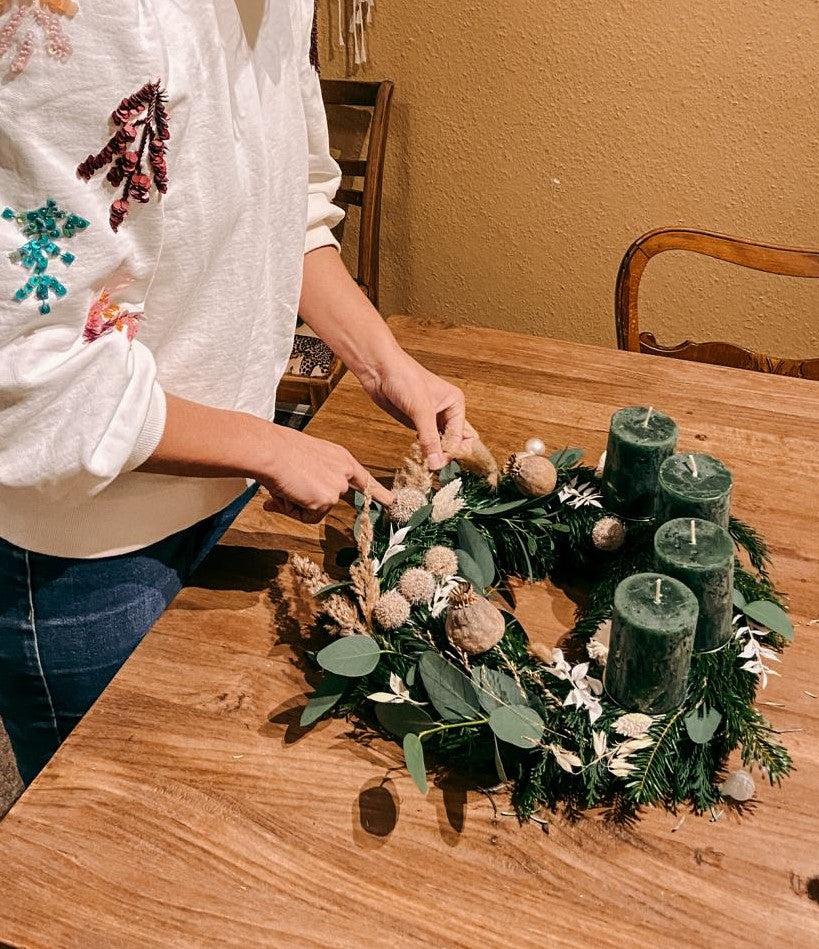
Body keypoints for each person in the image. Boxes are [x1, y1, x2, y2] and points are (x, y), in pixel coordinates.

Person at [0, 2, 469, 787]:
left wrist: (387, 365)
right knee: (125, 857)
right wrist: (269, 445)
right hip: (84, 555)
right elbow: (31, 371)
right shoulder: (91, 21)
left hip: (222, 491)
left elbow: (284, 207)